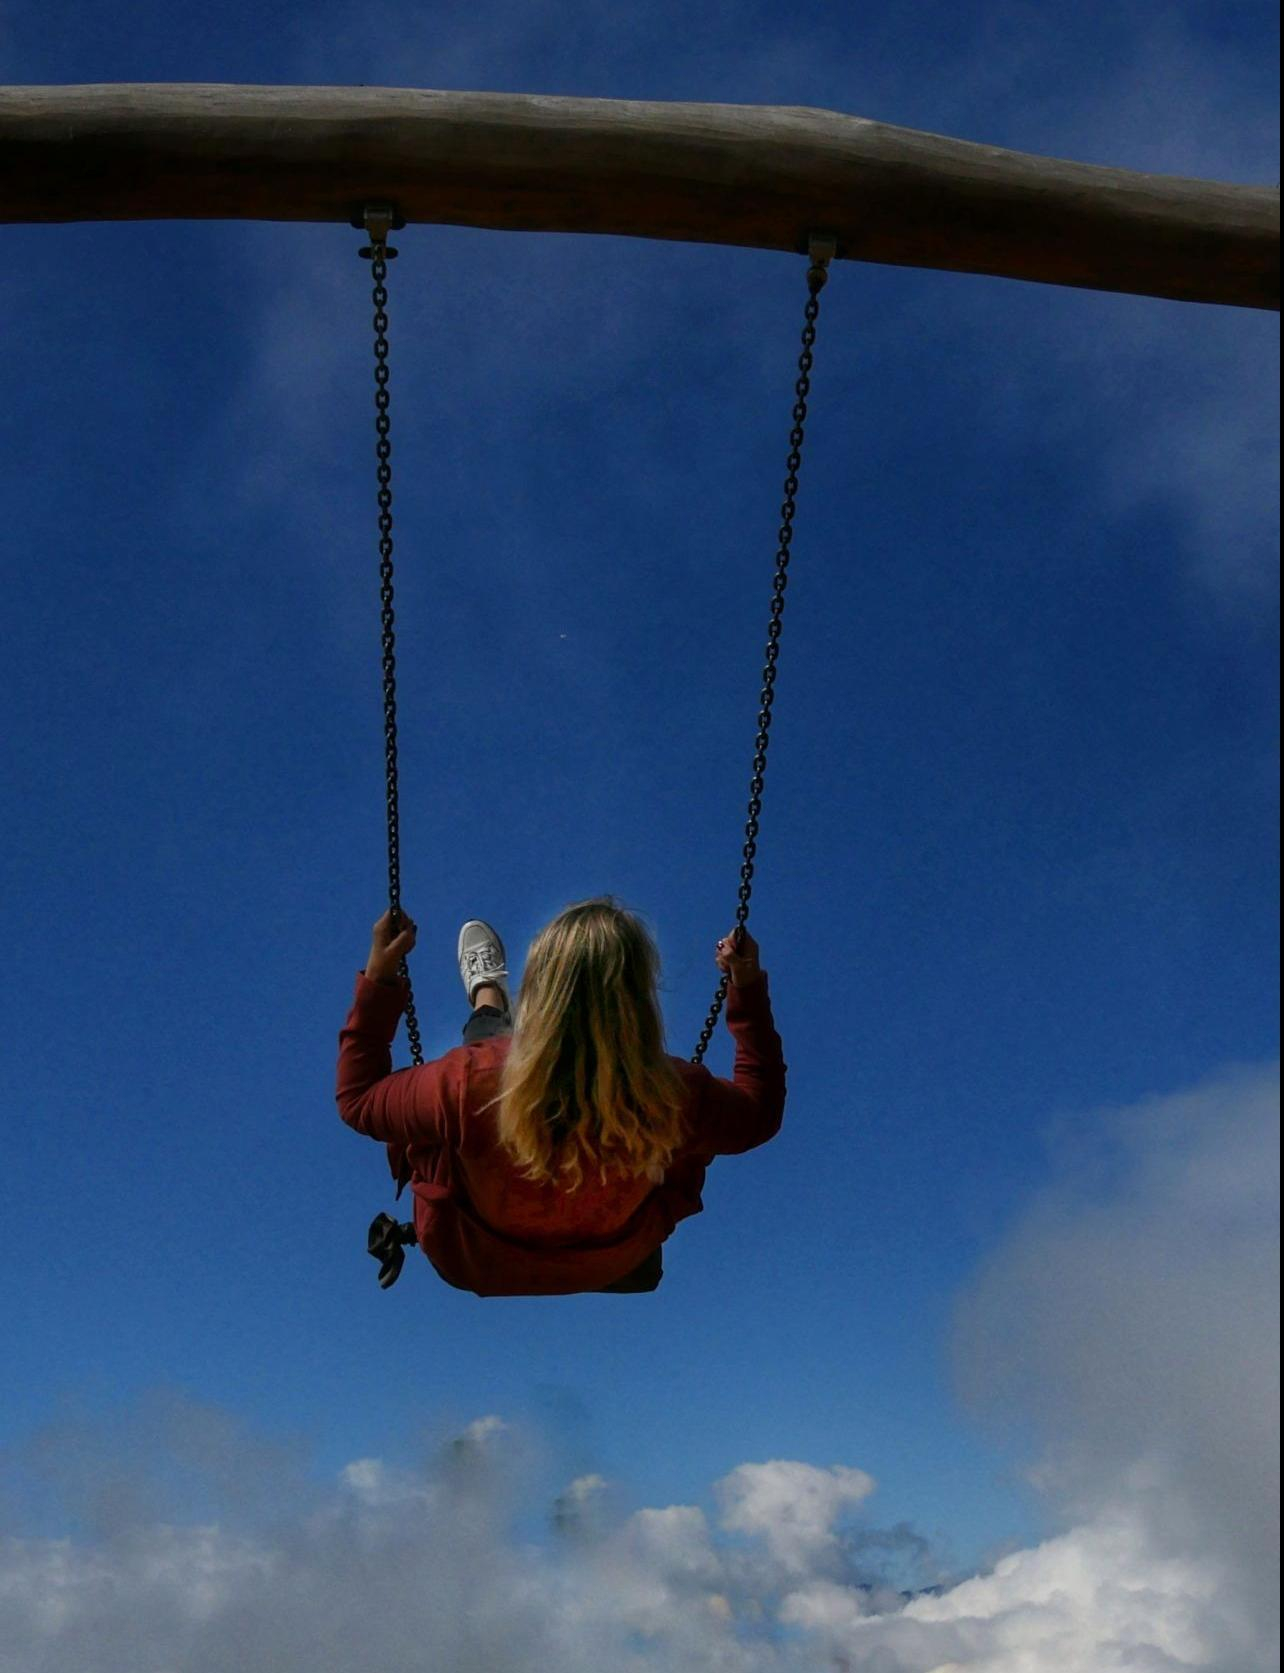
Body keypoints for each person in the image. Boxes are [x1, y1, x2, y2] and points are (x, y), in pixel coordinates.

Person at [335, 897, 786, 1296]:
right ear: (640, 1000)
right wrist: (745, 988)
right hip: (613, 1257)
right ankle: (489, 999)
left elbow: (357, 1099)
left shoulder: (467, 1081)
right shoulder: (678, 1095)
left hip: (474, 1256)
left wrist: (380, 975)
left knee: (492, 1063)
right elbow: (759, 1112)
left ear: (539, 990)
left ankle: (487, 996)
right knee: (495, 1068)